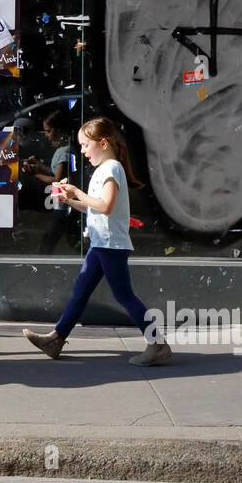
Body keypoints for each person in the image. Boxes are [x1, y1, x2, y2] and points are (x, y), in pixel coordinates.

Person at [23, 116, 170, 366]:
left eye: (85, 145)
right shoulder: (106, 168)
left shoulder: (112, 167)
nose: (82, 150)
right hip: (102, 242)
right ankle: (56, 339)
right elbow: (95, 209)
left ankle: (157, 344)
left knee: (123, 295)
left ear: (103, 143)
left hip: (110, 244)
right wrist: (69, 200)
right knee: (81, 292)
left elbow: (106, 206)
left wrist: (77, 192)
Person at [24, 110, 77, 254]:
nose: (46, 135)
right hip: (61, 205)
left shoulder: (66, 151)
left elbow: (56, 179)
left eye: (48, 131)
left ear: (59, 130)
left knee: (48, 242)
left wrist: (35, 173)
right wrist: (40, 166)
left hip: (64, 207)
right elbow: (55, 172)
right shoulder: (61, 150)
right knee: (69, 239)